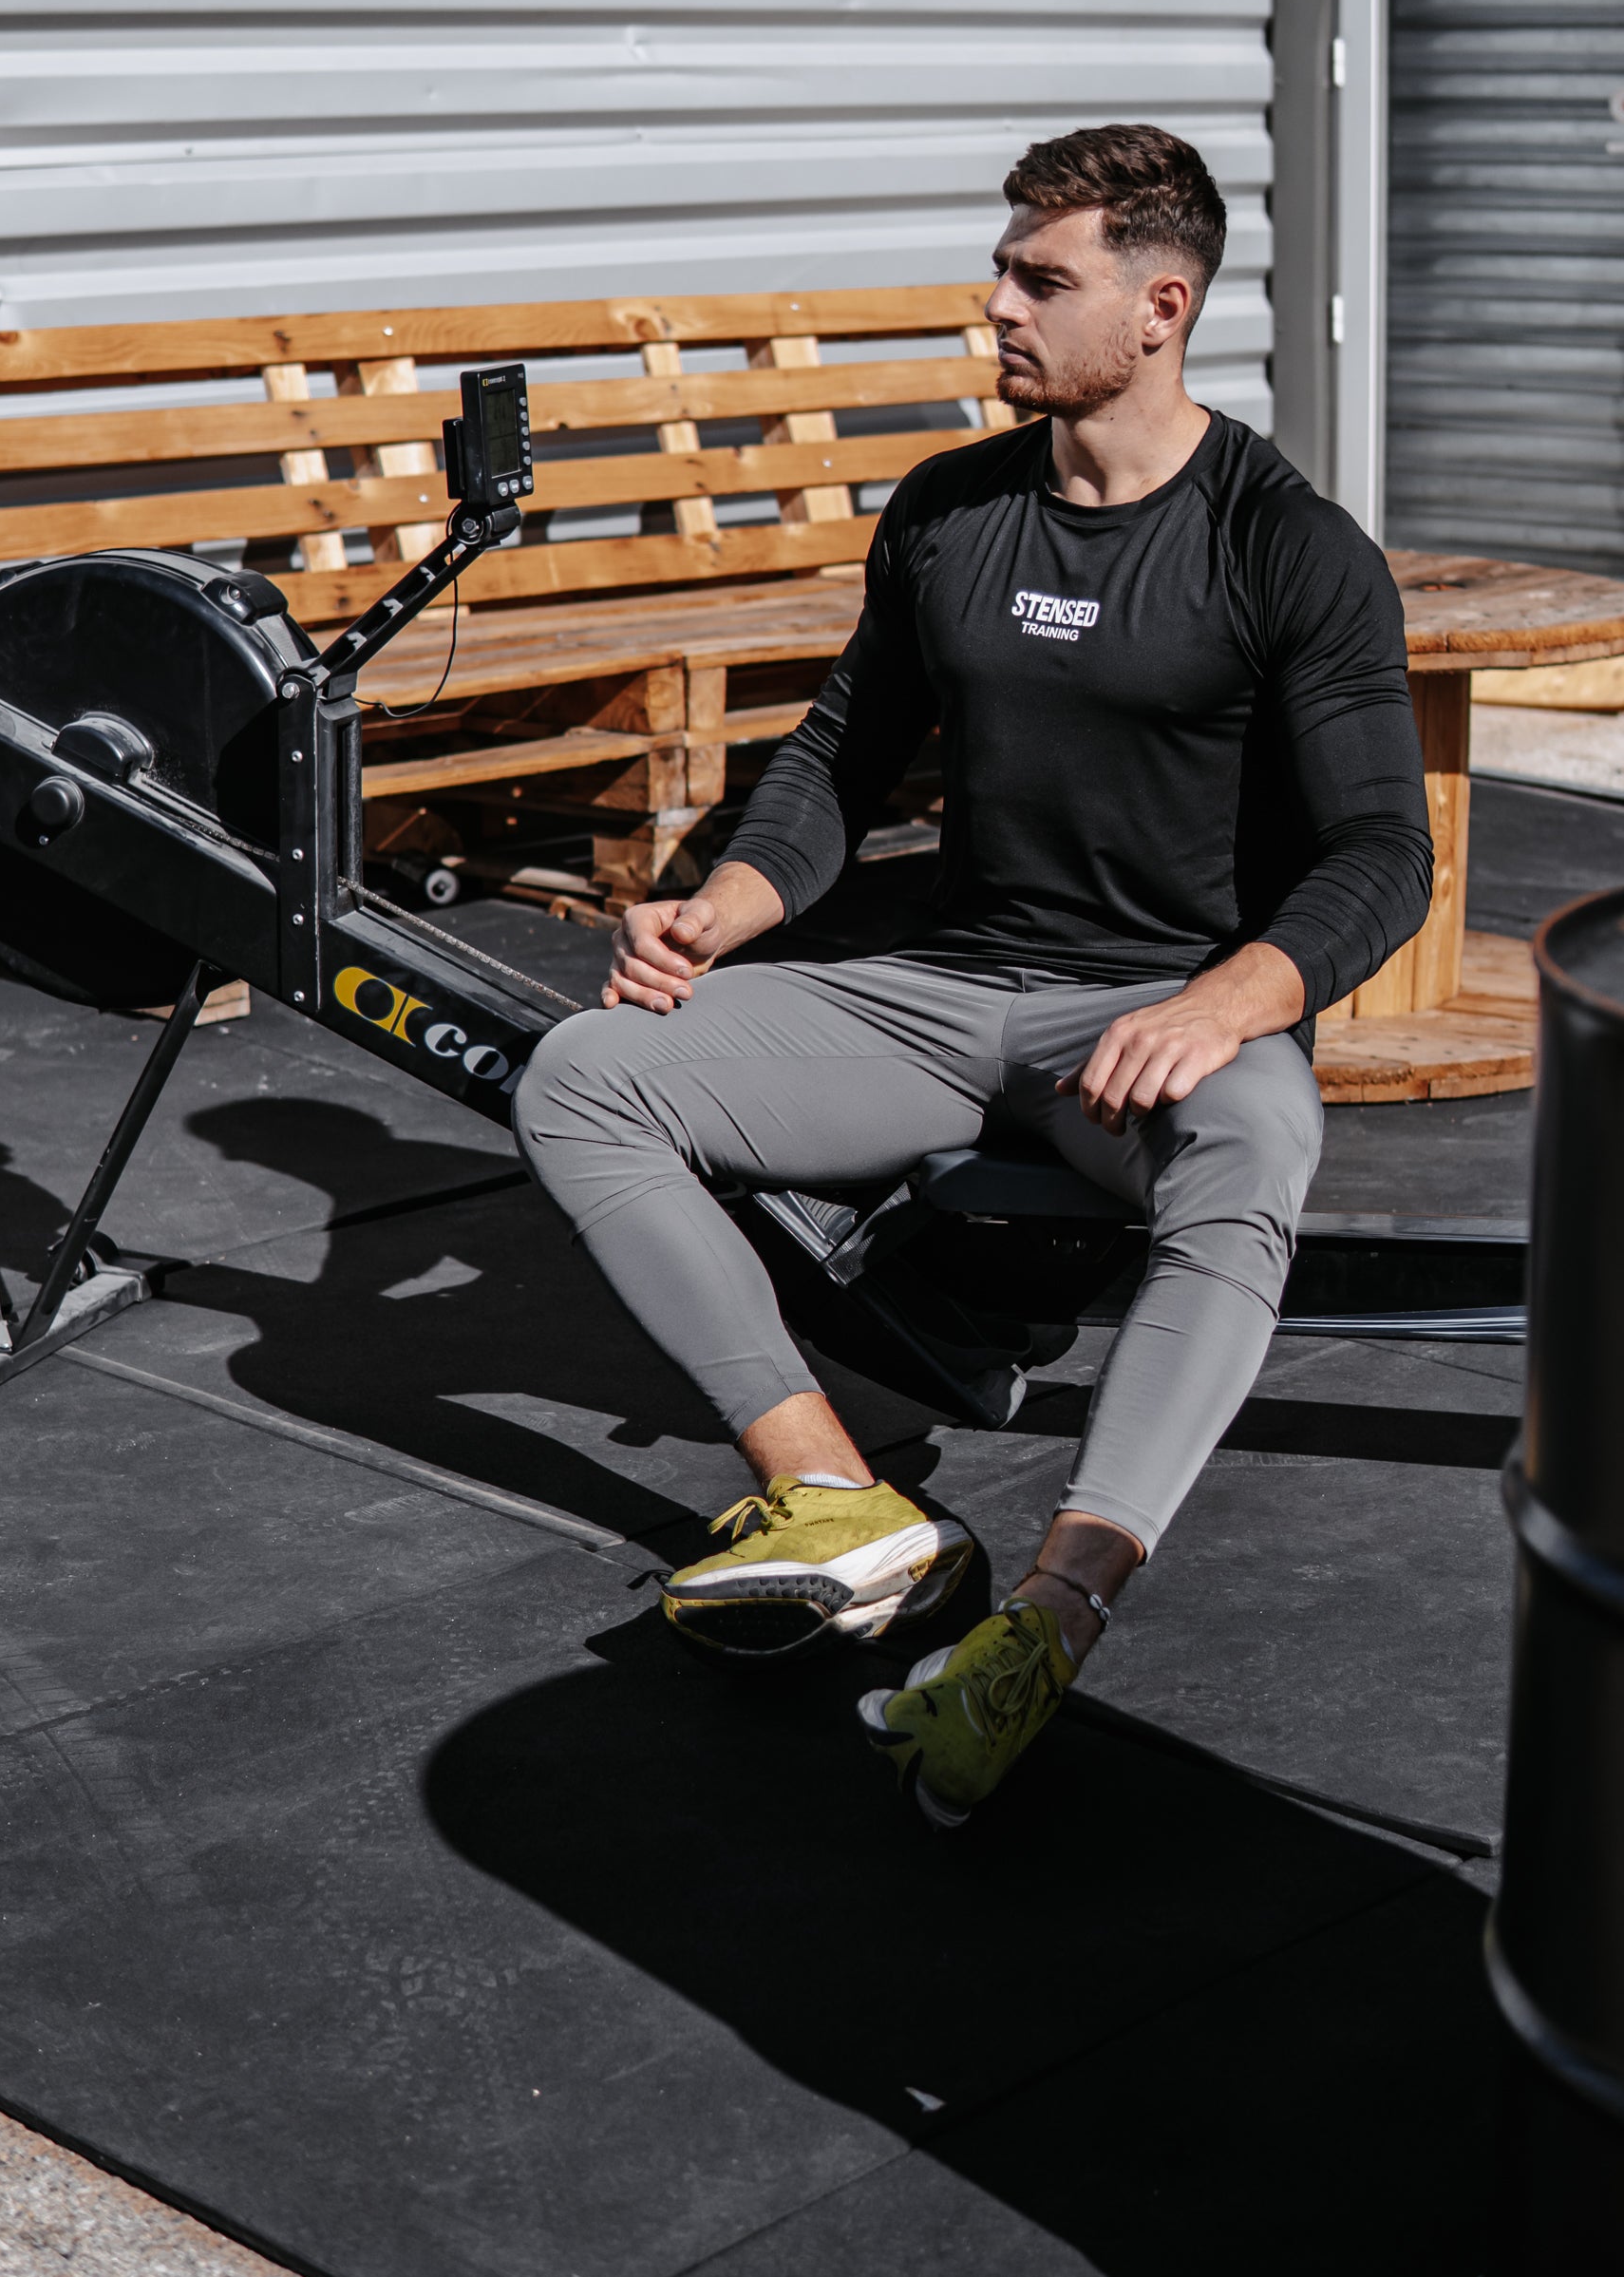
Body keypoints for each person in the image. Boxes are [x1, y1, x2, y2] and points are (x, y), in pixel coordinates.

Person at [515, 123, 1432, 1829]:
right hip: (941, 995)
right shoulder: (952, 510)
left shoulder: (1288, 546)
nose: (995, 304)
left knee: (1254, 1149)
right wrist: (725, 906)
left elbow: (1384, 854)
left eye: (1039, 278)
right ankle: (832, 1497)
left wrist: (1228, 1001)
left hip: (1151, 1011)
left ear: (1160, 308)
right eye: (1004, 270)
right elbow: (841, 756)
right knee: (585, 1072)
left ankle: (1056, 1612)